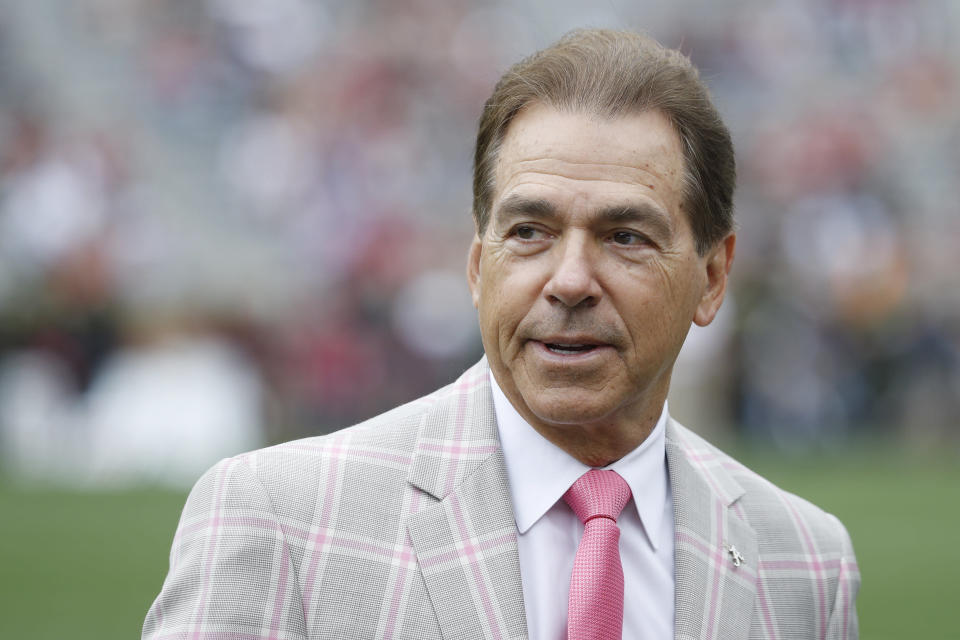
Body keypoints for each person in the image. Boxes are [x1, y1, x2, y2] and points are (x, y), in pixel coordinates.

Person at [144, 29, 859, 640]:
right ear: (479, 265)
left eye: (625, 236)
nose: (571, 279)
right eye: (529, 232)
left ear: (711, 278)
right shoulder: (281, 518)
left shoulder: (805, 564)